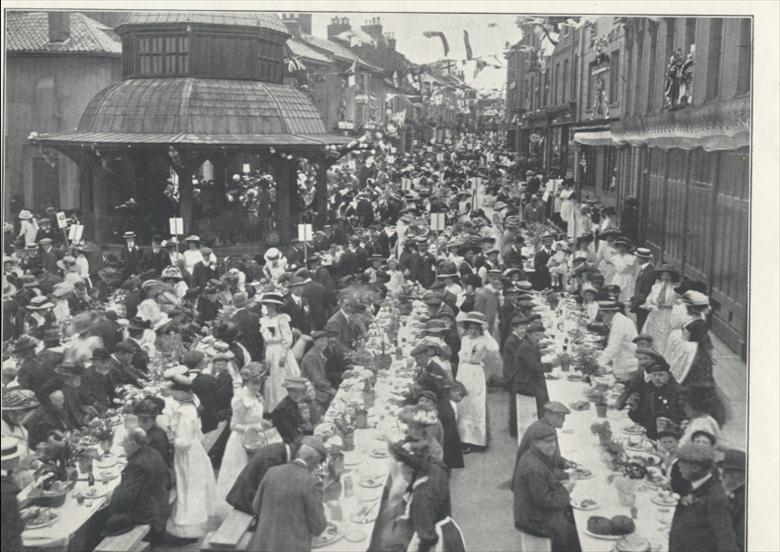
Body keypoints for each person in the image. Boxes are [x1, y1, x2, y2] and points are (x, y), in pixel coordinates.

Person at [369, 441, 464, 552]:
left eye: (403, 473)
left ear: (410, 471)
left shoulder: (422, 495)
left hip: (435, 540)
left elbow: (426, 538)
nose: (403, 477)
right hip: (448, 530)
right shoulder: (433, 469)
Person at [163, 366, 217, 542]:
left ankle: (189, 528)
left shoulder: (185, 413)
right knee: (192, 486)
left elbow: (184, 442)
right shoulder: (191, 405)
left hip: (187, 455)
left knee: (188, 486)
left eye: (174, 391)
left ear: (180, 392)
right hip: (195, 451)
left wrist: (171, 438)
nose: (171, 394)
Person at [247, 436, 328, 552]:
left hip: (264, 545)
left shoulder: (272, 471)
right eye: (317, 464)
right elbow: (318, 527)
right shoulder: (311, 483)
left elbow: (256, 506)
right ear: (313, 461)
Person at [512, 423, 581, 552]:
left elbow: (548, 475)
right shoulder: (534, 468)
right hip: (534, 520)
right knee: (576, 537)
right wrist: (566, 490)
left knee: (574, 521)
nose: (552, 445)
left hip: (531, 512)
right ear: (536, 443)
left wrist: (566, 476)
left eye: (554, 441)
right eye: (547, 442)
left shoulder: (535, 455)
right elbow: (545, 501)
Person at [216, 362, 268, 518]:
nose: (257, 387)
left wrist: (261, 423)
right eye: (254, 383)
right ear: (246, 382)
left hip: (256, 439)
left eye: (259, 383)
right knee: (240, 473)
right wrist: (248, 428)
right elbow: (233, 425)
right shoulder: (241, 400)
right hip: (241, 442)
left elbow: (257, 418)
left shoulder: (257, 397)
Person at [102, 427, 170, 543]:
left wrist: (112, 495)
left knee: (102, 516)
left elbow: (126, 496)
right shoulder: (153, 452)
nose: (123, 447)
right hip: (159, 504)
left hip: (148, 515)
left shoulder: (137, 464)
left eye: (124, 443)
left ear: (133, 443)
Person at [668, 443, 738, 552]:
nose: (678, 466)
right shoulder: (697, 484)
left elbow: (726, 542)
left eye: (681, 463)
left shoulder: (716, 499)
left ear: (695, 468)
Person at [226, 438, 298, 515]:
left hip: (248, 494)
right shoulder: (273, 459)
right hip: (246, 500)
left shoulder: (278, 448)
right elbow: (266, 487)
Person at [618, 357, 684, 439]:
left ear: (668, 376)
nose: (657, 378)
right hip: (650, 435)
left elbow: (682, 422)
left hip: (669, 437)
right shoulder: (649, 390)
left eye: (660, 375)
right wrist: (634, 408)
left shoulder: (677, 393)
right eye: (654, 375)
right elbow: (642, 419)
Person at [513, 402, 574, 485]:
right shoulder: (542, 432)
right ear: (547, 414)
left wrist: (565, 463)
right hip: (531, 482)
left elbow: (551, 459)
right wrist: (570, 475)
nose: (563, 419)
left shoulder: (544, 427)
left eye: (564, 416)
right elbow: (546, 470)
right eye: (559, 416)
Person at [455, 312, 490, 452]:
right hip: (462, 372)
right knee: (462, 404)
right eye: (471, 328)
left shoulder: (483, 341)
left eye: (476, 328)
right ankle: (463, 438)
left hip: (475, 373)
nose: (473, 331)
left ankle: (476, 440)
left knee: (475, 404)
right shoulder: (464, 339)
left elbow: (474, 357)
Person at [260, 292, 301, 411]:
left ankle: (284, 403)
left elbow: (287, 338)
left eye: (272, 305)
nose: (269, 307)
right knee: (271, 377)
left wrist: (283, 355)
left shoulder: (282, 319)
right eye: (268, 305)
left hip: (280, 349)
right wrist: (264, 354)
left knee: (280, 376)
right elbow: (265, 340)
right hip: (270, 350)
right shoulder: (264, 320)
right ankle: (273, 406)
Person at [512, 321, 552, 421]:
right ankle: (543, 419)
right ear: (529, 334)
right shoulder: (526, 347)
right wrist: (552, 365)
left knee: (546, 386)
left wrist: (540, 351)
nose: (538, 338)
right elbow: (535, 366)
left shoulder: (528, 343)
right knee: (546, 394)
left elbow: (532, 356)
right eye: (536, 335)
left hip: (525, 377)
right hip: (524, 383)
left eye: (539, 335)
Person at [639, 264, 680, 353]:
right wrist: (649, 304)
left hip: (667, 314)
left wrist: (668, 306)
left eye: (668, 275)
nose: (665, 277)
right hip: (655, 312)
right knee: (651, 332)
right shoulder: (656, 286)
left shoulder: (675, 289)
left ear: (672, 277)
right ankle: (650, 351)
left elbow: (679, 304)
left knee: (664, 335)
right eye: (663, 275)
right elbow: (649, 298)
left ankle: (662, 354)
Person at [596, 300, 639, 383]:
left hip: (626, 365)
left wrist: (598, 363)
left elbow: (613, 347)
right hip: (623, 361)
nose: (603, 318)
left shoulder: (620, 323)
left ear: (610, 312)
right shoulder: (619, 320)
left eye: (603, 315)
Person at [300, 331, 337, 411]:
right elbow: (317, 379)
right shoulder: (311, 357)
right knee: (336, 398)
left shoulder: (319, 353)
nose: (324, 343)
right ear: (314, 342)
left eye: (326, 341)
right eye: (321, 341)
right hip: (312, 389)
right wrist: (330, 388)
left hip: (320, 387)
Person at [131, 398, 172, 468]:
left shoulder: (153, 438)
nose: (138, 424)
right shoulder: (156, 431)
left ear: (148, 420)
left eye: (140, 420)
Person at [718, 449, 746, 551]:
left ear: (737, 474)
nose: (723, 477)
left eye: (726, 472)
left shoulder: (743, 499)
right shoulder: (736, 492)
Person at [271, 376, 312, 444]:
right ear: (288, 391)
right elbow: (291, 434)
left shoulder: (293, 403)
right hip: (285, 443)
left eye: (300, 392)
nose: (296, 394)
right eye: (293, 391)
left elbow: (300, 424)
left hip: (295, 438)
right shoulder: (282, 409)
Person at [2, 436, 25, 552]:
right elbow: (13, 529)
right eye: (16, 457)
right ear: (7, 461)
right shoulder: (7, 490)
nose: (18, 459)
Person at [631, 247, 656, 331]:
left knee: (642, 325)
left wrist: (638, 302)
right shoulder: (643, 269)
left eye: (637, 257)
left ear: (642, 258)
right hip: (640, 303)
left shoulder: (650, 272)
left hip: (643, 304)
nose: (636, 259)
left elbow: (647, 290)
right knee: (639, 323)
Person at [610, 237, 637, 304]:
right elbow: (616, 270)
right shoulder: (615, 258)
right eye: (619, 246)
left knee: (626, 296)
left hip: (627, 278)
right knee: (616, 294)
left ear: (627, 248)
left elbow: (623, 269)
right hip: (617, 278)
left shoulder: (631, 258)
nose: (621, 248)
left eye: (623, 247)